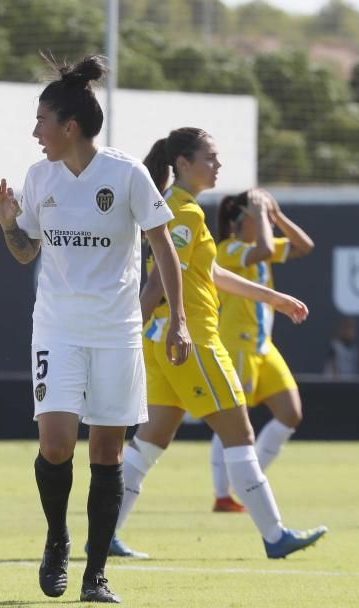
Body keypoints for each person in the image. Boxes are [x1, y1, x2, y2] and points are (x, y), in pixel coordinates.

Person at [0, 55, 191, 604]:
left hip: (118, 333)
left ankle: (95, 574)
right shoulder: (39, 177)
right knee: (55, 446)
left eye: (41, 122)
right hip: (56, 329)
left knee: (106, 454)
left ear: (69, 126)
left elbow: (163, 250)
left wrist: (178, 320)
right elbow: (26, 251)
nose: (35, 133)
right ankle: (57, 538)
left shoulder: (126, 174)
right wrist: (9, 222)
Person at [112, 126, 327, 559]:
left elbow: (203, 274)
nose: (218, 164)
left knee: (150, 442)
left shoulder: (176, 207)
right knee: (240, 433)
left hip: (165, 341)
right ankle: (274, 536)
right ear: (183, 164)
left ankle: (105, 534)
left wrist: (273, 297)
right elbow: (158, 279)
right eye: (209, 157)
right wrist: (133, 330)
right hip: (192, 340)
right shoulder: (184, 212)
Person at [209, 189, 314, 513]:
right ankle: (223, 494)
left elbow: (304, 247)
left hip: (262, 345)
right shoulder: (228, 250)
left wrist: (277, 215)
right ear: (242, 220)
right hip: (237, 343)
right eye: (258, 214)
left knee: (290, 413)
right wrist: (258, 213)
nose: (264, 219)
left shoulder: (259, 246)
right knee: (233, 418)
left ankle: (245, 484)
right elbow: (266, 248)